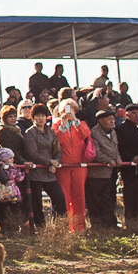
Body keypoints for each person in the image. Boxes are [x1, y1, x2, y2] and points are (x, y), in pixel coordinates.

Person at [52, 100, 92, 234]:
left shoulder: (80, 124)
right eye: (67, 110)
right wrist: (62, 126)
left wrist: (75, 121)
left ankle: (79, 228)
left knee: (79, 197)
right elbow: (57, 141)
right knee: (64, 197)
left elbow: (85, 134)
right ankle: (65, 228)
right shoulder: (55, 125)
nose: (69, 112)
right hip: (63, 166)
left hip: (79, 166)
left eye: (73, 109)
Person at [86, 109, 121, 229]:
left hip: (110, 172)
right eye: (109, 119)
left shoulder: (113, 132)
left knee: (109, 199)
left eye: (113, 119)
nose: (112, 121)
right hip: (97, 174)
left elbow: (115, 149)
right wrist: (108, 160)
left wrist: (118, 159)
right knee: (96, 201)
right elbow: (96, 152)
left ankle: (110, 224)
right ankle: (97, 226)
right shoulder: (94, 133)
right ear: (101, 120)